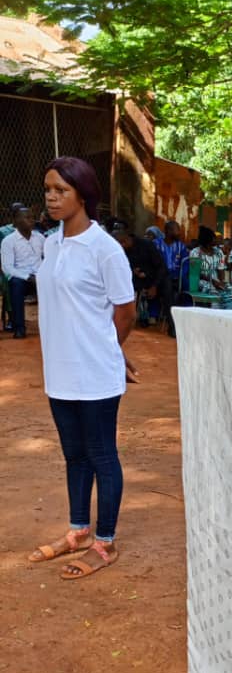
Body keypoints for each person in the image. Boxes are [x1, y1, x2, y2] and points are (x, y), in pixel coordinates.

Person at [28, 157, 136, 579]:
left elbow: (125, 311)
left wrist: (110, 351)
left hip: (94, 375)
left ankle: (105, 541)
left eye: (61, 190)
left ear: (83, 194)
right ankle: (79, 531)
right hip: (60, 372)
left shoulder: (104, 249)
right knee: (74, 455)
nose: (52, 197)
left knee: (102, 456)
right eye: (48, 189)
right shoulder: (51, 243)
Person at [113, 225, 173, 328]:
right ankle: (130, 319)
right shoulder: (123, 251)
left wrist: (154, 286)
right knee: (122, 287)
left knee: (168, 290)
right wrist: (133, 271)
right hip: (140, 278)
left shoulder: (146, 245)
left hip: (158, 277)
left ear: (125, 241)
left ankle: (172, 326)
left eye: (121, 244)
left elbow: (161, 267)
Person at [1, 204, 45, 338]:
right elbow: (7, 268)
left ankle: (52, 326)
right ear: (16, 222)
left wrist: (42, 275)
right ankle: (19, 327)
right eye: (26, 218)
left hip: (40, 276)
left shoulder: (40, 238)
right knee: (16, 285)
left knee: (54, 283)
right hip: (21, 278)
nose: (31, 220)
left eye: (32, 217)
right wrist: (27, 277)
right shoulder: (9, 241)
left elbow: (48, 259)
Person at [189, 226, 232, 309]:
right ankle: (215, 314)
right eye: (213, 238)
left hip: (215, 280)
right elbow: (196, 273)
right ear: (207, 241)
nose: (216, 240)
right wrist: (213, 281)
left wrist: (221, 282)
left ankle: (230, 313)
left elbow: (221, 269)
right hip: (200, 280)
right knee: (212, 290)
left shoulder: (218, 252)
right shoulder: (195, 253)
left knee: (229, 289)